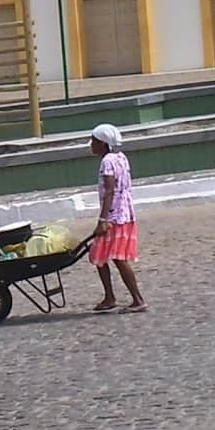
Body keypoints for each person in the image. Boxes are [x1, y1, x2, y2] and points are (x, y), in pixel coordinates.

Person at [89, 123, 146, 313]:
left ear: (103, 143)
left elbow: (110, 191)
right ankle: (110, 297)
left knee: (112, 258)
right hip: (125, 213)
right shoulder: (121, 157)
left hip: (114, 217)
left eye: (94, 141)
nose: (91, 144)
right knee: (103, 256)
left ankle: (136, 299)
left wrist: (102, 220)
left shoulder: (107, 162)